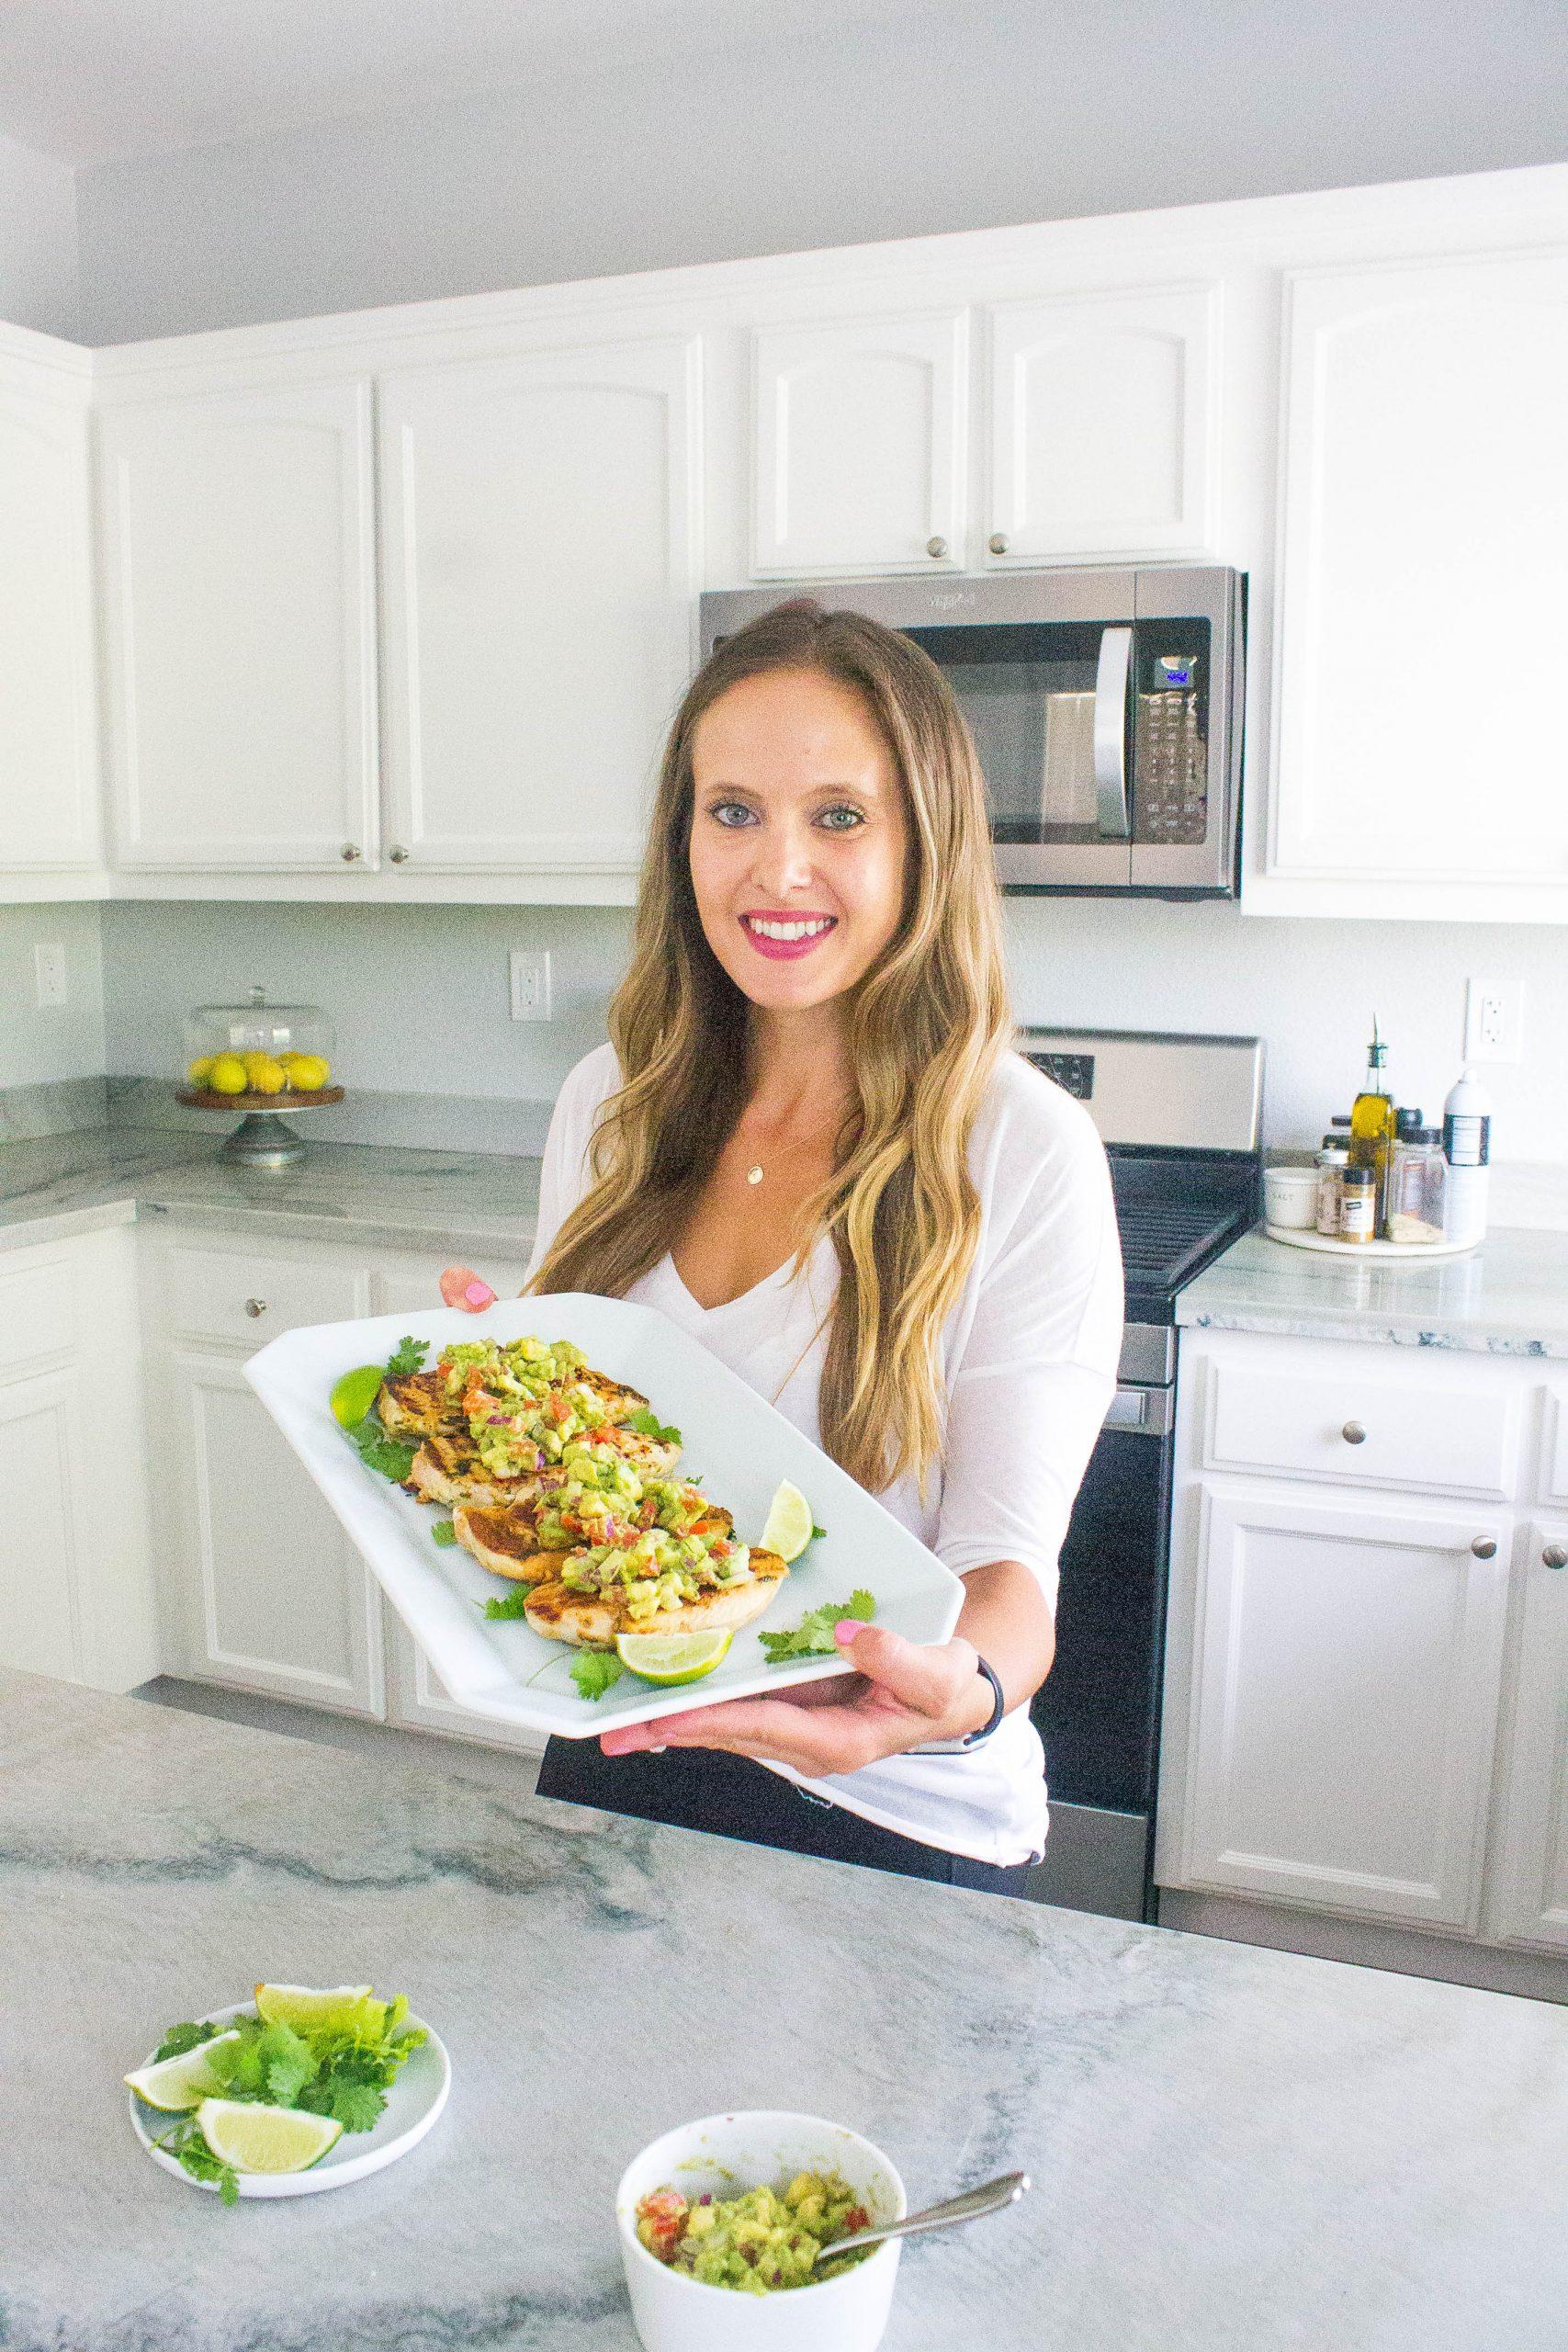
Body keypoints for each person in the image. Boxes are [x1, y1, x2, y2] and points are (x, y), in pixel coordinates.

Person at [442, 599, 1122, 1896]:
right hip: (620, 1740)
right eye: (734, 811)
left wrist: (952, 1696)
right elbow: (596, 1483)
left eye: (840, 816)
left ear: (924, 843)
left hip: (887, 1808)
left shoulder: (1022, 1149)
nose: (778, 871)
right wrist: (494, 1415)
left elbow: (1006, 1579)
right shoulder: (613, 1099)